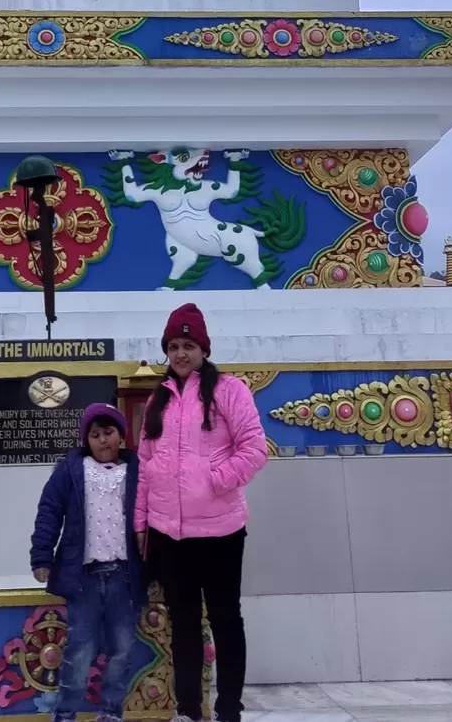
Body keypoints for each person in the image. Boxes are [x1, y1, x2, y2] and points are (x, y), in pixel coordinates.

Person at [135, 303, 268, 722]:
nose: (180, 354)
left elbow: (254, 449)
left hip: (220, 533)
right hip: (169, 536)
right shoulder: (157, 400)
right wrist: (141, 524)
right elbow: (144, 466)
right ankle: (189, 710)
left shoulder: (229, 390)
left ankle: (229, 709)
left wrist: (212, 481)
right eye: (173, 346)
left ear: (203, 349)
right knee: (185, 625)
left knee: (227, 620)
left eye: (188, 345)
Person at [31, 403, 147, 722]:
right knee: (79, 652)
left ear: (122, 436)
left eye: (108, 432)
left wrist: (158, 565)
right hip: (84, 578)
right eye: (94, 435)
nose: (102, 440)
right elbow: (49, 512)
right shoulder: (73, 470)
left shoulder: (138, 471)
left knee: (122, 649)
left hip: (124, 578)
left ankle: (110, 712)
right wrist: (42, 555)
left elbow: (153, 517)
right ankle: (65, 713)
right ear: (87, 440)